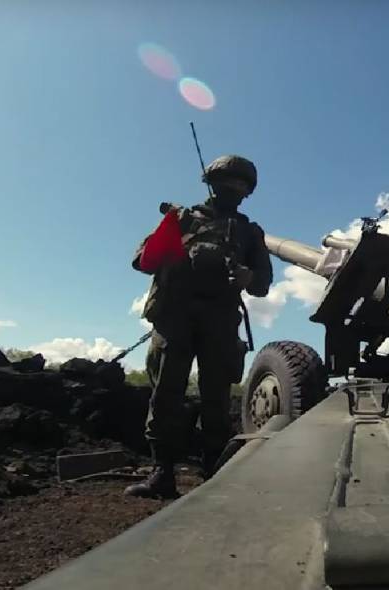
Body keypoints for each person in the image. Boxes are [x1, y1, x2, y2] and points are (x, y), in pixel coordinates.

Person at [125, 155, 273, 499]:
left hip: (220, 320)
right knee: (165, 393)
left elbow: (263, 283)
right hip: (175, 315)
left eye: (241, 186)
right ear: (212, 183)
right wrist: (167, 241)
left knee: (216, 398)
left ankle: (215, 473)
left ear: (247, 193)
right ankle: (162, 472)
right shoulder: (181, 219)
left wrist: (249, 276)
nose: (233, 191)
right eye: (228, 183)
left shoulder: (250, 233)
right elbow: (141, 260)